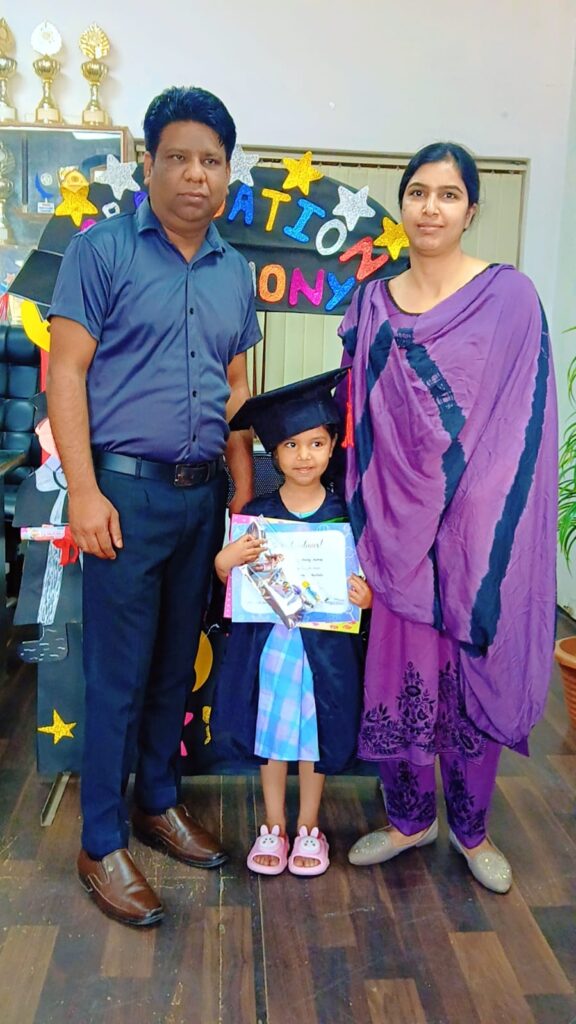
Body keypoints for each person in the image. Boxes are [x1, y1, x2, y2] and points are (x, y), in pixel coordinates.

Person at [46, 86, 261, 926]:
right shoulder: (100, 252)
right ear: (148, 163)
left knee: (176, 663)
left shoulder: (234, 271)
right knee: (117, 674)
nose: (195, 174)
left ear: (227, 172)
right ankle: (101, 840)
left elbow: (235, 385)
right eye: (178, 157)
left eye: (211, 160)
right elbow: (67, 372)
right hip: (123, 497)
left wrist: (241, 487)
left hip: (202, 498)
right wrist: (85, 491)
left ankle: (157, 802)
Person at [340, 142, 557, 893]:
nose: (430, 208)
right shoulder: (372, 301)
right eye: (418, 192)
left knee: (469, 675)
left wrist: (475, 513)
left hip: (476, 529)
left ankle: (471, 829)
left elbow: (521, 415)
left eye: (448, 194)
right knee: (401, 674)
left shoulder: (510, 298)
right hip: (395, 525)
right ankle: (409, 820)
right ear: (402, 204)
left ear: (471, 210)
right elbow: (360, 416)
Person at [212, 370, 372, 876]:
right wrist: (227, 558)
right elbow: (227, 574)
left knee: (313, 734)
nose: (305, 456)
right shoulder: (257, 515)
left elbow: (365, 584)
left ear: (332, 447)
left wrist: (366, 597)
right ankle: (274, 826)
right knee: (273, 734)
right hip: (273, 649)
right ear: (274, 453)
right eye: (291, 445)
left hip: (324, 651)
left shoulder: (345, 516)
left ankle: (308, 827)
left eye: (316, 444)